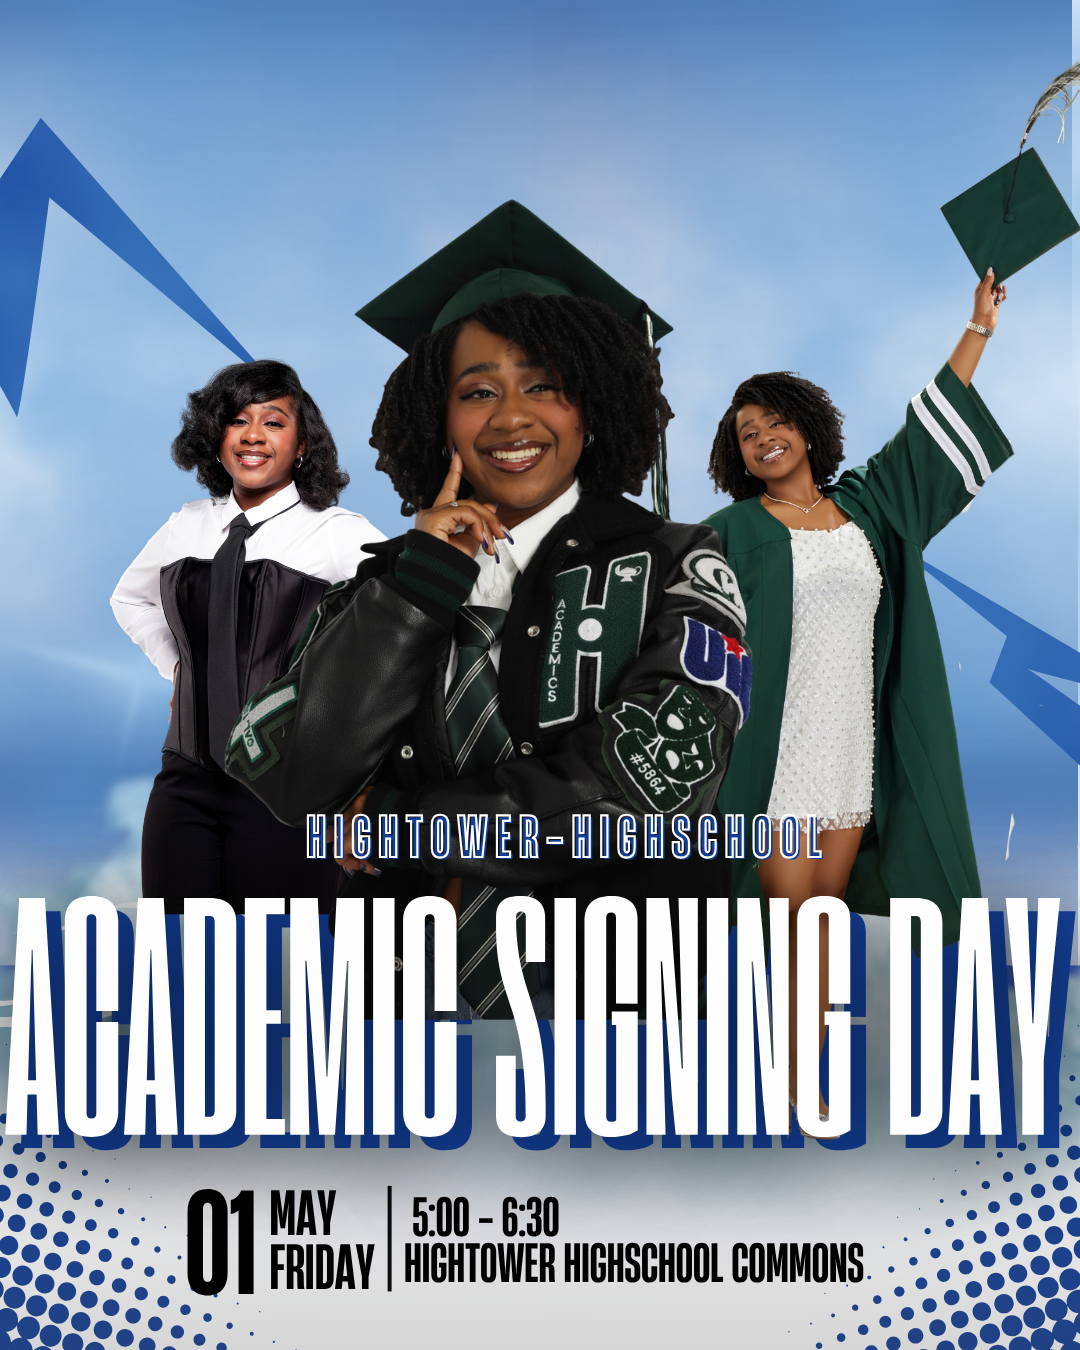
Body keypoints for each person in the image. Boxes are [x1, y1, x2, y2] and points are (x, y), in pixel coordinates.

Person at [224, 201, 751, 1018]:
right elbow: (292, 772)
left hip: (616, 1006)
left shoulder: (679, 560)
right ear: (439, 419)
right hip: (402, 1007)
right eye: (478, 391)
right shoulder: (384, 583)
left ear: (596, 402)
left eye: (545, 384)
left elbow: (651, 783)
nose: (511, 417)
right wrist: (419, 587)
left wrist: (412, 824)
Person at [703, 267, 1010, 1125]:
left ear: (805, 427)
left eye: (772, 421)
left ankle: (803, 1077)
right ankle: (762, 1068)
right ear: (737, 454)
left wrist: (977, 328)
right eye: (746, 432)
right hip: (774, 745)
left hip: (849, 743)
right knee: (776, 918)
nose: (762, 437)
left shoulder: (867, 509)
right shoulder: (728, 531)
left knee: (819, 922)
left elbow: (926, 434)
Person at [111, 360, 384, 913]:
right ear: (216, 437)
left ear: (302, 443)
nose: (253, 435)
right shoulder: (185, 524)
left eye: (274, 422)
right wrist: (181, 668)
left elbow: (400, 633)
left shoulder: (337, 533)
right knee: (176, 959)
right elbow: (130, 600)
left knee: (278, 967)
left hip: (288, 786)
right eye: (237, 420)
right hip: (185, 777)